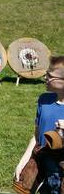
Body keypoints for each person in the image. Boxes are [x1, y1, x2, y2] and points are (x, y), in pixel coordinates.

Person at [15, 56, 64, 194]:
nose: (45, 77)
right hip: (41, 165)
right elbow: (37, 135)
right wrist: (24, 159)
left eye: (50, 75)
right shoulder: (44, 100)